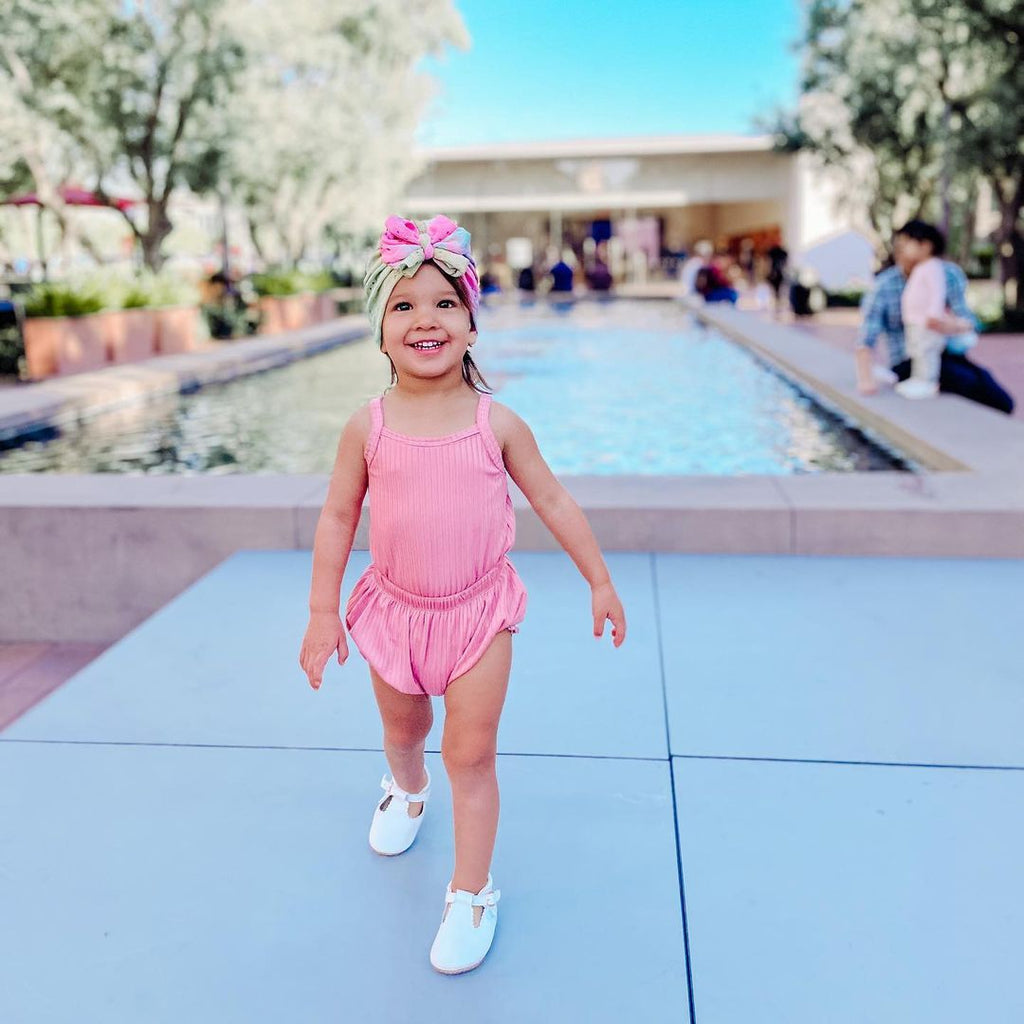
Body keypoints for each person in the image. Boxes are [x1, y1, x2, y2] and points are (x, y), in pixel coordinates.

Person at [298, 214, 627, 976]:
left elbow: (551, 499)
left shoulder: (497, 423)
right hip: (394, 611)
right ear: (380, 333)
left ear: (472, 326)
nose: (426, 318)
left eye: (445, 303)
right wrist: (322, 610)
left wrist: (600, 580)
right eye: (404, 305)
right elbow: (338, 516)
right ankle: (406, 791)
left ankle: (472, 892)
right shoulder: (367, 427)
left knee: (470, 754)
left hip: (480, 615)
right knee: (406, 731)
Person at [856, 220, 1014, 413]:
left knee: (999, 397)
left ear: (925, 246)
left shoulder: (947, 274)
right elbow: (866, 337)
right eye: (898, 244)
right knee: (963, 382)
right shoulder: (883, 286)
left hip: (945, 352)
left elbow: (968, 320)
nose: (899, 250)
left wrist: (950, 325)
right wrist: (865, 380)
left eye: (905, 244)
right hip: (908, 361)